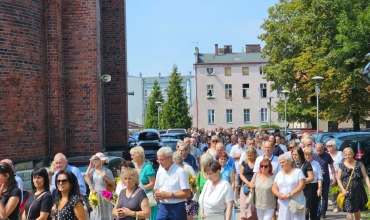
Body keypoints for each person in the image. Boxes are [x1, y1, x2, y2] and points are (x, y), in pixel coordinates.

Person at [154, 147, 191, 220]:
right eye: (158, 160)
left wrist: (170, 195)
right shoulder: (160, 171)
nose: (160, 162)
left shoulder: (180, 171)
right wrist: (157, 194)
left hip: (177, 207)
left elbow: (187, 194)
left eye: (162, 160)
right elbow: (156, 188)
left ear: (170, 158)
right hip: (162, 207)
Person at [337, 147, 370, 220]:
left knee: (357, 210)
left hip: (358, 190)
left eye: (349, 154)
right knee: (349, 210)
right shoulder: (341, 165)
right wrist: (342, 189)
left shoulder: (359, 164)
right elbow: (339, 179)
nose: (347, 156)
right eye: (346, 155)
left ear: (353, 154)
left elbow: (365, 177)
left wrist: (369, 187)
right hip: (346, 191)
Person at [272, 153, 306, 220]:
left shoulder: (298, 172)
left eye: (283, 162)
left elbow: (302, 185)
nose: (281, 164)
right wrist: (278, 194)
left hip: (296, 202)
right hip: (283, 203)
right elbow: (274, 187)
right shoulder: (279, 174)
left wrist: (290, 194)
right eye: (280, 163)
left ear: (289, 161)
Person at [83, 152, 115, 220]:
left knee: (105, 215)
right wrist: (89, 167)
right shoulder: (93, 170)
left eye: (97, 159)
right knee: (95, 215)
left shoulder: (107, 171)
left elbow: (113, 183)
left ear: (102, 160)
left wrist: (106, 178)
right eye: (94, 159)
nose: (95, 161)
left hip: (104, 195)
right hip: (95, 195)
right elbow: (85, 177)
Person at [130, 146, 157, 220]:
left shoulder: (148, 167)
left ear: (139, 155)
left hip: (147, 197)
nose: (131, 157)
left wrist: (140, 189)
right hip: (135, 197)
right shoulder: (133, 167)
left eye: (133, 155)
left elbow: (152, 184)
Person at [313, 143, 336, 219]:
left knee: (325, 196)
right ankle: (318, 212)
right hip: (316, 179)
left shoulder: (327, 155)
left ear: (323, 149)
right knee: (317, 196)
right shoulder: (314, 155)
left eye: (320, 150)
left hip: (325, 179)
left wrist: (333, 176)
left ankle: (323, 212)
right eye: (317, 150)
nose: (318, 152)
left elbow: (332, 166)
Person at [173, 153, 198, 220]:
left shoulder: (187, 167)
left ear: (177, 161)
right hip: (178, 195)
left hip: (188, 194)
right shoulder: (174, 169)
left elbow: (194, 179)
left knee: (188, 213)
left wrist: (193, 187)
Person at [291, 147, 314, 216]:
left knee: (304, 213)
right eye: (293, 154)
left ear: (300, 154)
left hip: (305, 190)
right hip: (294, 190)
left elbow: (311, 178)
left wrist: (300, 182)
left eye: (296, 154)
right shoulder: (291, 164)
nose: (294, 156)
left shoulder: (306, 164)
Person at [304, 147, 323, 220]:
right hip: (305, 186)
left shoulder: (316, 164)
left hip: (314, 185)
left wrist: (319, 188)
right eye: (306, 155)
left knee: (314, 208)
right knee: (305, 208)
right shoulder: (303, 164)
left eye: (309, 155)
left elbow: (319, 177)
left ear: (312, 155)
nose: (307, 156)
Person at [239, 147, 258, 220]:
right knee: (244, 207)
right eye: (248, 155)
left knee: (254, 210)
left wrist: (253, 184)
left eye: (251, 155)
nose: (249, 157)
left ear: (254, 154)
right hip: (245, 187)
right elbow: (241, 174)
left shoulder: (258, 162)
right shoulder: (244, 162)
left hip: (255, 187)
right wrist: (247, 183)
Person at [326, 139, 344, 213]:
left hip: (341, 175)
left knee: (341, 190)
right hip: (331, 176)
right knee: (333, 192)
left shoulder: (340, 153)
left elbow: (344, 163)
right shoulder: (326, 155)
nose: (329, 147)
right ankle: (335, 206)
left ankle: (341, 205)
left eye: (330, 146)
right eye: (327, 146)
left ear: (334, 146)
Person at [196, 153, 215, 220]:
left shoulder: (217, 174)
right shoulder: (199, 175)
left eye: (206, 165)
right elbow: (196, 189)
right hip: (202, 205)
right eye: (203, 165)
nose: (204, 167)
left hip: (214, 204)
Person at [230, 135, 247, 206]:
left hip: (245, 169)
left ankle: (245, 201)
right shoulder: (234, 147)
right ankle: (235, 201)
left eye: (242, 141)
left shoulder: (246, 148)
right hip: (236, 169)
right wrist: (236, 156)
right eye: (239, 141)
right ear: (237, 141)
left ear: (244, 141)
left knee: (244, 186)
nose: (240, 142)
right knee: (236, 186)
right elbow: (230, 157)